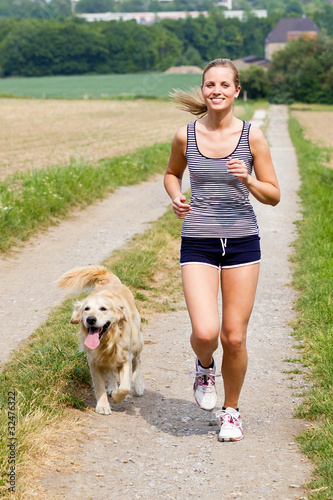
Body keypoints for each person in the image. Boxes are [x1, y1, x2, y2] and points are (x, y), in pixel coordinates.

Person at [164, 58, 280, 442]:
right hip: (198, 238)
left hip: (243, 241)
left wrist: (247, 178)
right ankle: (203, 365)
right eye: (209, 85)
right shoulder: (186, 135)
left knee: (234, 336)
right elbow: (171, 174)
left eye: (224, 85)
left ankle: (231, 411)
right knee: (205, 330)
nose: (216, 91)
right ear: (203, 90)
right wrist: (177, 195)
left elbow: (274, 195)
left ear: (236, 91)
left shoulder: (252, 137)